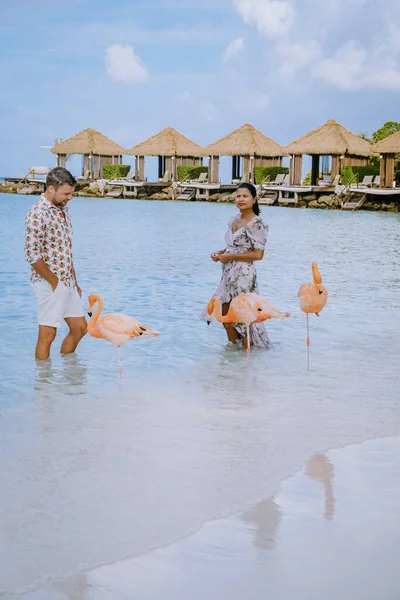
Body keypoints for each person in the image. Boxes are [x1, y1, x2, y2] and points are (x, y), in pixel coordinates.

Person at [24, 167, 87, 360]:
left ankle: (68, 375)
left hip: (67, 281)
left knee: (80, 328)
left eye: (71, 193)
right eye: (66, 193)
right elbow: (32, 255)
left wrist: (73, 281)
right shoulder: (37, 214)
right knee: (47, 335)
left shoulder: (63, 210)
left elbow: (65, 249)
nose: (70, 197)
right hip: (48, 283)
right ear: (51, 189)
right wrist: (55, 283)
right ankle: (44, 386)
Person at [210, 182, 271, 350]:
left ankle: (247, 358)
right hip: (228, 273)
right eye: (238, 196)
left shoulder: (257, 224)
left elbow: (258, 254)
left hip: (244, 274)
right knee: (225, 315)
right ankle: (232, 358)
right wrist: (220, 253)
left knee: (243, 318)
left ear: (254, 199)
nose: (241, 199)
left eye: (245, 196)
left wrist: (231, 256)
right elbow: (232, 246)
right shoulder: (233, 220)